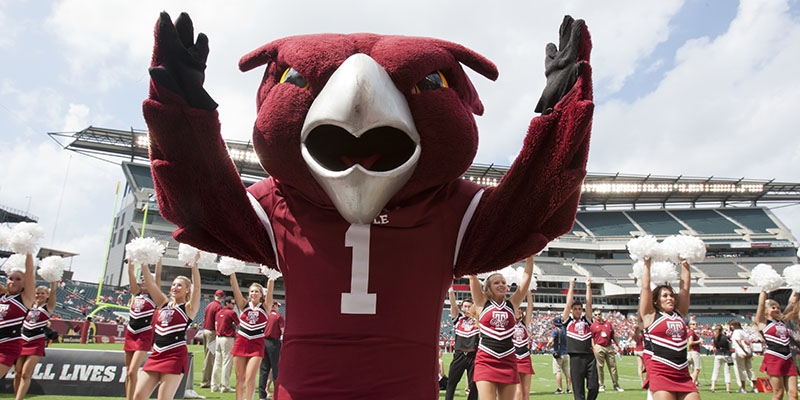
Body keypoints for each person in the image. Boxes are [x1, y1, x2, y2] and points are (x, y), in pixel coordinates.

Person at [132, 254, 201, 400]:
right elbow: (151, 284)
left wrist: (194, 264)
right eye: (174, 284)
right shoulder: (163, 303)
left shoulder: (188, 308)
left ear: (187, 289)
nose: (175, 287)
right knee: (138, 396)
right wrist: (144, 260)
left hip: (174, 356)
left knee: (163, 398)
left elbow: (197, 288)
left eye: (179, 285)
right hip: (156, 354)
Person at [468, 256, 534, 400]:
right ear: (488, 287)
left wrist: (530, 259)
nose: (501, 284)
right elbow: (473, 277)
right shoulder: (481, 303)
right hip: (486, 359)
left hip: (508, 359)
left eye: (503, 282)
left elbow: (525, 281)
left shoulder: (512, 304)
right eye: (496, 282)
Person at [639, 256, 699, 400]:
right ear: (656, 301)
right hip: (660, 371)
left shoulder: (679, 314)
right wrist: (647, 262)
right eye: (664, 296)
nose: (670, 298)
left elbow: (685, 289)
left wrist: (685, 262)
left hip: (682, 372)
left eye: (671, 295)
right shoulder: (650, 316)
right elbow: (645, 287)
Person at [229, 271, 272, 400]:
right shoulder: (243, 305)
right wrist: (231, 272)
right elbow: (235, 290)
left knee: (250, 378)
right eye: (251, 291)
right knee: (239, 379)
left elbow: (270, 293)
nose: (253, 293)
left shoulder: (265, 307)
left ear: (261, 294)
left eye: (256, 291)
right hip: (241, 341)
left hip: (256, 343)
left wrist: (272, 277)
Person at [124, 259, 162, 400]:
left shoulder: (154, 296)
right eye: (143, 279)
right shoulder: (137, 293)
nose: (144, 281)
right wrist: (133, 258)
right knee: (128, 372)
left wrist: (158, 258)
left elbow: (157, 275)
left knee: (133, 371)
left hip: (143, 335)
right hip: (130, 333)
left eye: (147, 279)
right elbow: (130, 272)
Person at [14, 280, 57, 400]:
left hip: (36, 341)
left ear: (47, 295)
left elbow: (53, 292)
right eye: (38, 293)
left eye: (43, 293)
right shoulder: (29, 305)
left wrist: (53, 279)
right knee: (17, 373)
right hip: (22, 340)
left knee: (25, 373)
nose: (39, 295)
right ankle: (17, 396)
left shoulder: (48, 307)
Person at [754, 290, 798, 400]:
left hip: (788, 358)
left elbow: (792, 303)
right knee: (778, 394)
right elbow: (761, 304)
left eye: (778, 307)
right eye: (773, 307)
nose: (777, 309)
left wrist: (796, 288)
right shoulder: (762, 323)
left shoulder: (782, 320)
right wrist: (764, 290)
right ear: (766, 310)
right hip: (774, 357)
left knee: (793, 394)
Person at [0, 253, 35, 379]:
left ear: (25, 283)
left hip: (6, 347)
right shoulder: (1, 296)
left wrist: (28, 250)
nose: (13, 282)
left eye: (18, 279)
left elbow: (30, 272)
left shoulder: (25, 298)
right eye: (10, 278)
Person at [562, 277, 597, 400]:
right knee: (578, 391)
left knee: (594, 386)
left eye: (579, 309)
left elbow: (589, 304)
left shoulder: (586, 320)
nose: (577, 311)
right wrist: (571, 285)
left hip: (589, 356)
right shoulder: (568, 321)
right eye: (575, 309)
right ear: (572, 310)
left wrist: (588, 286)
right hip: (575, 358)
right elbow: (568, 303)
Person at [445, 288, 478, 400]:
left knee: (474, 386)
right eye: (465, 306)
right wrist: (450, 290)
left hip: (473, 356)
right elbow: (453, 305)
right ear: (462, 307)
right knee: (451, 383)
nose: (467, 308)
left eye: (469, 306)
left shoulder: (478, 320)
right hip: (459, 355)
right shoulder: (459, 319)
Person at [589, 310, 623, 392]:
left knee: (613, 366)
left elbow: (612, 335)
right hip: (599, 346)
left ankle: (616, 385)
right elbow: (592, 338)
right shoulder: (593, 326)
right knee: (600, 367)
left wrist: (617, 344)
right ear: (594, 316)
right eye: (596, 315)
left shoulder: (608, 324)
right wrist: (594, 347)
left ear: (601, 314)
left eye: (599, 314)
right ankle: (601, 385)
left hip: (609, 346)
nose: (598, 316)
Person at [258, 297, 284, 400]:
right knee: (276, 369)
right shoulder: (278, 316)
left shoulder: (265, 315)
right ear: (275, 305)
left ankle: (262, 395)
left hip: (263, 342)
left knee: (264, 369)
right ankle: (277, 394)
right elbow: (283, 331)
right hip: (274, 343)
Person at [211, 296, 238, 393]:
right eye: (232, 303)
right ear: (227, 303)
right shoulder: (231, 313)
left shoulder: (219, 312)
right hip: (227, 338)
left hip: (218, 337)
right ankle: (225, 386)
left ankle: (214, 385)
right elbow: (239, 324)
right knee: (227, 362)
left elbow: (216, 325)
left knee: (217, 362)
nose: (234, 305)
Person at [201, 289, 225, 388]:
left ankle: (207, 379)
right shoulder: (219, 307)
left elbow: (204, 318)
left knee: (207, 356)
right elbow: (217, 322)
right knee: (210, 358)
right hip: (212, 332)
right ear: (222, 297)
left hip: (205, 330)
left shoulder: (209, 305)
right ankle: (206, 381)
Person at [513, 290, 535, 400]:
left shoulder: (524, 323)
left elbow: (530, 306)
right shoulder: (507, 323)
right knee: (518, 392)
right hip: (513, 357)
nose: (518, 311)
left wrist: (528, 290)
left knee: (526, 392)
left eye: (519, 309)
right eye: (516, 309)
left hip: (525, 356)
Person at [730, 319, 757, 392]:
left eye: (732, 325)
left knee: (741, 370)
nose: (731, 327)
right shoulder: (744, 332)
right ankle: (754, 387)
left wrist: (744, 351)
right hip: (748, 352)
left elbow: (738, 342)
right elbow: (750, 342)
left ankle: (743, 387)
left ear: (735, 325)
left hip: (740, 352)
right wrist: (751, 352)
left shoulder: (736, 332)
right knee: (750, 369)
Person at [546, 315, 572, 395]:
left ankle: (560, 389)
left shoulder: (555, 330)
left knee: (557, 371)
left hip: (558, 353)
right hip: (565, 353)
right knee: (567, 371)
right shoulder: (564, 330)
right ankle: (569, 388)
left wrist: (548, 345)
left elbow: (551, 340)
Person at [709, 324, 733, 393]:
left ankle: (713, 387)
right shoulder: (726, 337)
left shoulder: (714, 338)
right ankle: (728, 389)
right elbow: (730, 347)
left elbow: (715, 347)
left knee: (715, 371)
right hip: (726, 354)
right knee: (727, 372)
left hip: (718, 354)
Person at [687, 320, 703, 387]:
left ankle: (694, 382)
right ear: (690, 325)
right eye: (693, 324)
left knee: (692, 368)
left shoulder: (691, 332)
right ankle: (692, 384)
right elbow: (691, 342)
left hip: (690, 351)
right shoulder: (691, 332)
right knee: (697, 368)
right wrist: (699, 341)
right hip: (694, 351)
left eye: (696, 324)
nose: (695, 325)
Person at [632, 318, 646, 387]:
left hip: (636, 350)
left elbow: (629, 340)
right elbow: (644, 344)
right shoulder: (642, 335)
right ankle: (647, 381)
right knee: (647, 366)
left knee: (639, 366)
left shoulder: (635, 335)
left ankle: (642, 382)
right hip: (642, 350)